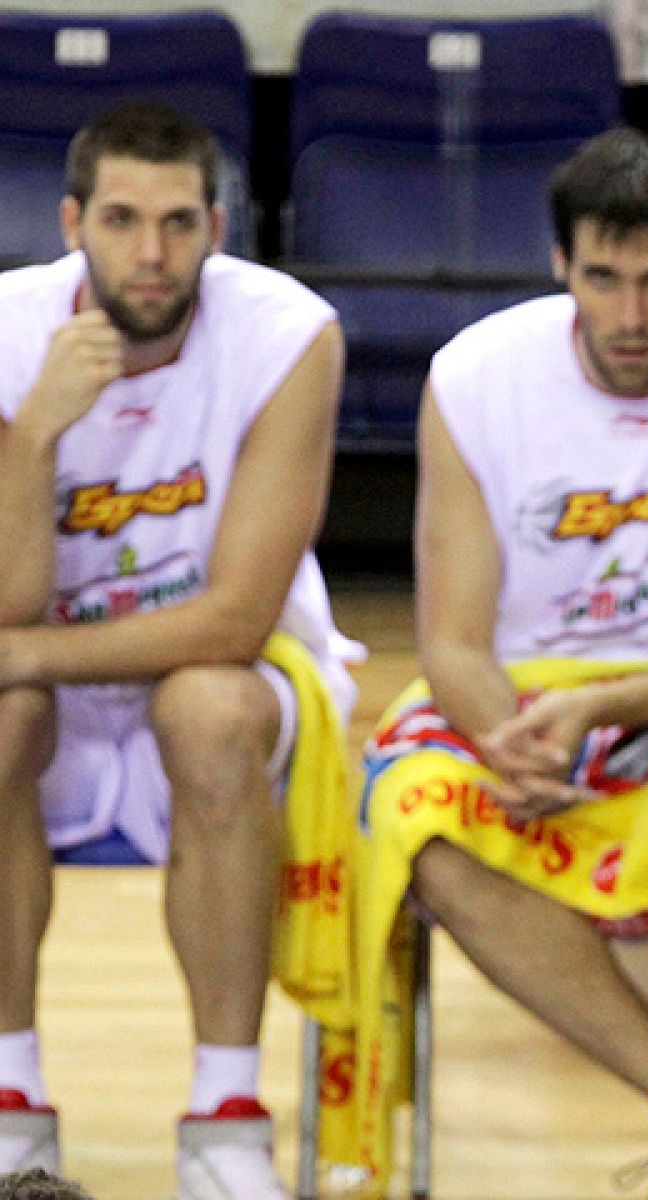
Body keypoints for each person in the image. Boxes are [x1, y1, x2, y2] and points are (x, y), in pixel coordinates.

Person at [353, 127, 648, 1200]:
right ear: (561, 266)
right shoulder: (474, 377)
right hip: (535, 692)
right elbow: (452, 643)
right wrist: (506, 737)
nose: (631, 316)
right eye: (604, 279)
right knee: (412, 806)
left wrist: (598, 711)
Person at [0, 102, 355, 1200]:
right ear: (72, 224)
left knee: (206, 705)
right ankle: (11, 1098)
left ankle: (226, 1114)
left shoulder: (290, 335)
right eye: (119, 219)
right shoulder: (8, 334)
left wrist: (23, 654)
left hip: (234, 691)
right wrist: (36, 433)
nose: (148, 253)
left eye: (174, 222)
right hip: (44, 693)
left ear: (216, 226)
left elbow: (235, 620)